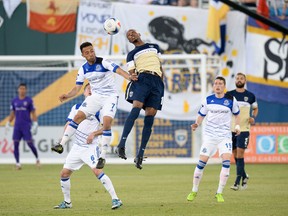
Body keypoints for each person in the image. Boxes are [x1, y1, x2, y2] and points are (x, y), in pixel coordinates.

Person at [51, 42, 137, 170]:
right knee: (77, 116)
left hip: (110, 97)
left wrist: (129, 77)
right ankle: (61, 144)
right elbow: (77, 88)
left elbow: (118, 70)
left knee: (107, 122)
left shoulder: (103, 62)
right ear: (83, 55)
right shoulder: (83, 69)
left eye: (92, 51)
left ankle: (102, 156)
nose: (91, 54)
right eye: (87, 52)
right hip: (95, 97)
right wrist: (67, 95)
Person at [54, 83, 122, 210]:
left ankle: (116, 199)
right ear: (84, 92)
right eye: (88, 89)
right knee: (64, 174)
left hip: (90, 147)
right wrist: (62, 139)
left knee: (97, 171)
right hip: (76, 147)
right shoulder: (76, 107)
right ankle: (67, 202)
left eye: (93, 89)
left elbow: (106, 128)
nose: (90, 91)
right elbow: (69, 123)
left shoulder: (99, 109)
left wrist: (94, 133)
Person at [116, 29, 164, 169]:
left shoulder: (154, 47)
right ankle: (121, 144)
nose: (131, 35)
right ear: (130, 41)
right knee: (136, 108)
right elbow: (131, 71)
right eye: (129, 36)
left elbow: (160, 65)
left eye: (132, 33)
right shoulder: (131, 54)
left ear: (139, 34)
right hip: (143, 78)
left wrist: (161, 83)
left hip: (157, 82)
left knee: (150, 115)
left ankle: (140, 155)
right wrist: (132, 75)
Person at [186, 76, 241, 203]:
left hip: (225, 136)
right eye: (215, 83)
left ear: (224, 86)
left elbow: (237, 115)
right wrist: (196, 124)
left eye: (220, 83)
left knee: (226, 162)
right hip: (210, 136)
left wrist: (237, 126)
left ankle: (219, 193)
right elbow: (201, 115)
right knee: (201, 163)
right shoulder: (208, 100)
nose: (217, 85)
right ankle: (194, 190)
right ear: (213, 86)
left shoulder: (231, 99)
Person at [227, 72, 258, 191]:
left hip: (244, 129)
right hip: (231, 129)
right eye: (237, 78)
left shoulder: (250, 95)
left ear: (245, 81)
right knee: (235, 155)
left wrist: (253, 117)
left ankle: (237, 182)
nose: (239, 80)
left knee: (240, 154)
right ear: (235, 81)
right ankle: (244, 176)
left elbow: (255, 109)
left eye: (241, 78)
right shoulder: (229, 95)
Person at [5, 83, 40, 170]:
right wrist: (8, 123)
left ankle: (37, 159)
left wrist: (35, 123)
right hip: (17, 126)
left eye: (23, 89)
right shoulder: (14, 101)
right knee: (16, 144)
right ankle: (18, 164)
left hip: (26, 126)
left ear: (26, 90)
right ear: (18, 90)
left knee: (29, 143)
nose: (22, 90)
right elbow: (13, 113)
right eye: (20, 89)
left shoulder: (29, 101)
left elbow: (33, 112)